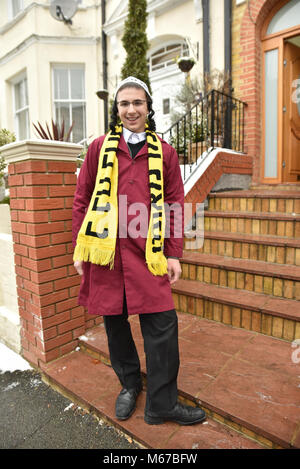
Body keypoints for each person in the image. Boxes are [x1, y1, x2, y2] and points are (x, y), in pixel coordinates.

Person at [72, 76, 206, 426]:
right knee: (115, 327)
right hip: (107, 255)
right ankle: (130, 385)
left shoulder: (166, 152)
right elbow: (82, 199)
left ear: (148, 108)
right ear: (116, 110)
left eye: (138, 103)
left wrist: (174, 252)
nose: (131, 110)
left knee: (163, 327)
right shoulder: (99, 148)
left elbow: (176, 202)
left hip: (150, 253)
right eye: (124, 104)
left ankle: (161, 403)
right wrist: (79, 247)